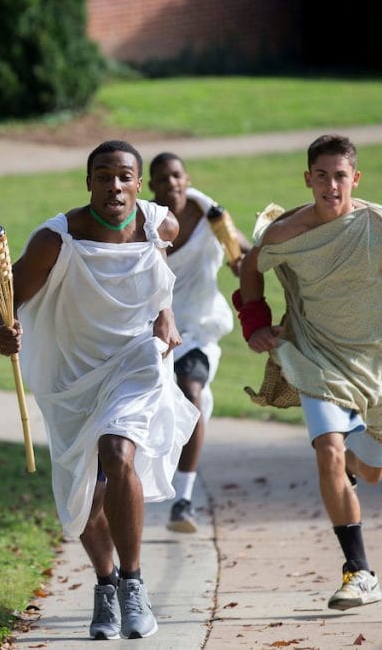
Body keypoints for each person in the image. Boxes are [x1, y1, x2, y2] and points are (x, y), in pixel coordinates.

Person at [235, 134, 382, 611]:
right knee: (330, 455)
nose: (330, 185)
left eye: (340, 176)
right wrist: (255, 322)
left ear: (355, 179)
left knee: (369, 473)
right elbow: (250, 267)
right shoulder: (285, 232)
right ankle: (359, 571)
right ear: (307, 179)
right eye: (321, 176)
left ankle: (354, 466)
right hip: (317, 357)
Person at [0, 140, 199, 640]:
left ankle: (132, 583)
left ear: (139, 185)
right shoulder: (55, 241)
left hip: (135, 360)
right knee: (82, 496)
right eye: (103, 176)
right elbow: (3, 302)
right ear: (88, 183)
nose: (114, 186)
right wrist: (4, 329)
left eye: (124, 176)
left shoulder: (158, 224)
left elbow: (164, 263)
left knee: (118, 450)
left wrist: (164, 309)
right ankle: (104, 585)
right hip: (71, 376)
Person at [148, 152, 250, 533]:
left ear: (186, 179)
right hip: (151, 330)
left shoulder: (212, 216)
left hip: (199, 330)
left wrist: (242, 263)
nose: (171, 183)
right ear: (152, 185)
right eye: (162, 178)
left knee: (190, 393)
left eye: (176, 175)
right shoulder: (144, 223)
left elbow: (242, 250)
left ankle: (183, 500)